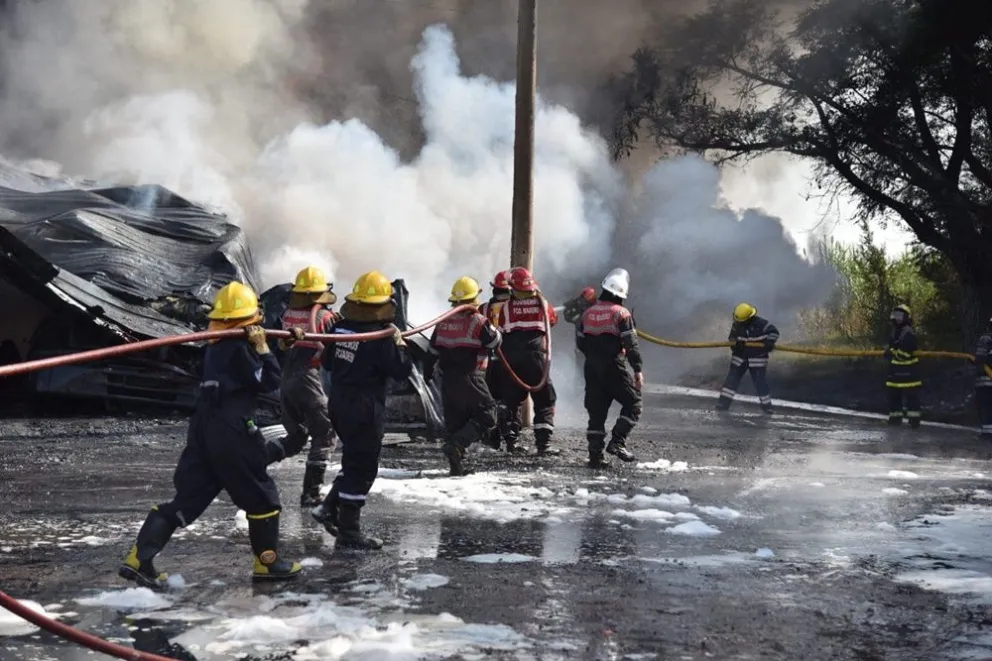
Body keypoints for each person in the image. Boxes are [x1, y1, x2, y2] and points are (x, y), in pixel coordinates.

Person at [119, 281, 302, 589]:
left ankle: (139, 559)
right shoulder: (239, 346)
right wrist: (263, 349)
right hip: (231, 428)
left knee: (188, 499)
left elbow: (251, 372)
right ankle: (268, 564)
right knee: (262, 497)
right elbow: (269, 381)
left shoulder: (216, 344)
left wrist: (280, 347)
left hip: (204, 427)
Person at [310, 271, 412, 550]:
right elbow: (401, 371)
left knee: (353, 461)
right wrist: (400, 345)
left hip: (339, 403)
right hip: (365, 408)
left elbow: (329, 363)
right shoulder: (380, 336)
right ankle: (349, 531)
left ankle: (328, 507)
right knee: (363, 467)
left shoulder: (339, 328)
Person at [269, 265, 340, 507]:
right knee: (325, 432)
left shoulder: (289, 314)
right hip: (309, 379)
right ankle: (311, 493)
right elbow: (335, 350)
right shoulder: (325, 317)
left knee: (297, 435)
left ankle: (254, 461)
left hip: (286, 381)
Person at [426, 276, 502, 476]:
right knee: (488, 415)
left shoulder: (442, 322)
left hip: (447, 380)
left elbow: (432, 351)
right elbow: (495, 342)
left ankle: (456, 467)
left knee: (456, 423)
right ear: (474, 299)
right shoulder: (478, 321)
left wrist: (427, 375)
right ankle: (456, 444)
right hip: (471, 376)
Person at [576, 268, 644, 467]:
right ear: (623, 294)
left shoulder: (586, 313)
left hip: (591, 367)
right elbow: (631, 344)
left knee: (596, 413)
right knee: (633, 403)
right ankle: (617, 442)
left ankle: (595, 457)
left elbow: (580, 343)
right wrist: (637, 369)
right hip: (614, 366)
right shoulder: (621, 314)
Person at [497, 266, 560, 456]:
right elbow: (553, 321)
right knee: (544, 399)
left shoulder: (506, 308)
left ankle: (511, 443)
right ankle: (543, 445)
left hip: (511, 357)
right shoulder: (543, 304)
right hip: (536, 357)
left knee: (512, 400)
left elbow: (500, 331)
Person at [715, 303, 779, 413]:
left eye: (742, 321)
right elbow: (731, 338)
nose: (739, 323)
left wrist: (770, 341)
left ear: (750, 318)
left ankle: (767, 407)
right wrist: (735, 344)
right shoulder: (737, 325)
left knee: (760, 382)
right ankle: (723, 403)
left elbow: (774, 332)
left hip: (757, 358)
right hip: (740, 358)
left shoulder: (762, 324)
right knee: (731, 380)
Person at [478, 270, 517, 450]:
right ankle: (510, 437)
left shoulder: (483, 308)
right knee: (511, 399)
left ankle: (492, 438)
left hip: (488, 362)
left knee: (490, 399)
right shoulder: (514, 307)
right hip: (509, 359)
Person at [885, 303, 922, 428]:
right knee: (894, 397)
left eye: (900, 315)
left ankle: (914, 421)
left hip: (909, 373)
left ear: (906, 317)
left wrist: (892, 353)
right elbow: (891, 347)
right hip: (895, 373)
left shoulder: (909, 333)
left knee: (912, 398)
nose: (897, 318)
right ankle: (895, 419)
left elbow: (906, 352)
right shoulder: (894, 332)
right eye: (896, 315)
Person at [975, 317, 992, 438]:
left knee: (985, 406)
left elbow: (979, 358)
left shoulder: (986, 339)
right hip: (986, 378)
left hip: (985, 380)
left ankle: (987, 433)